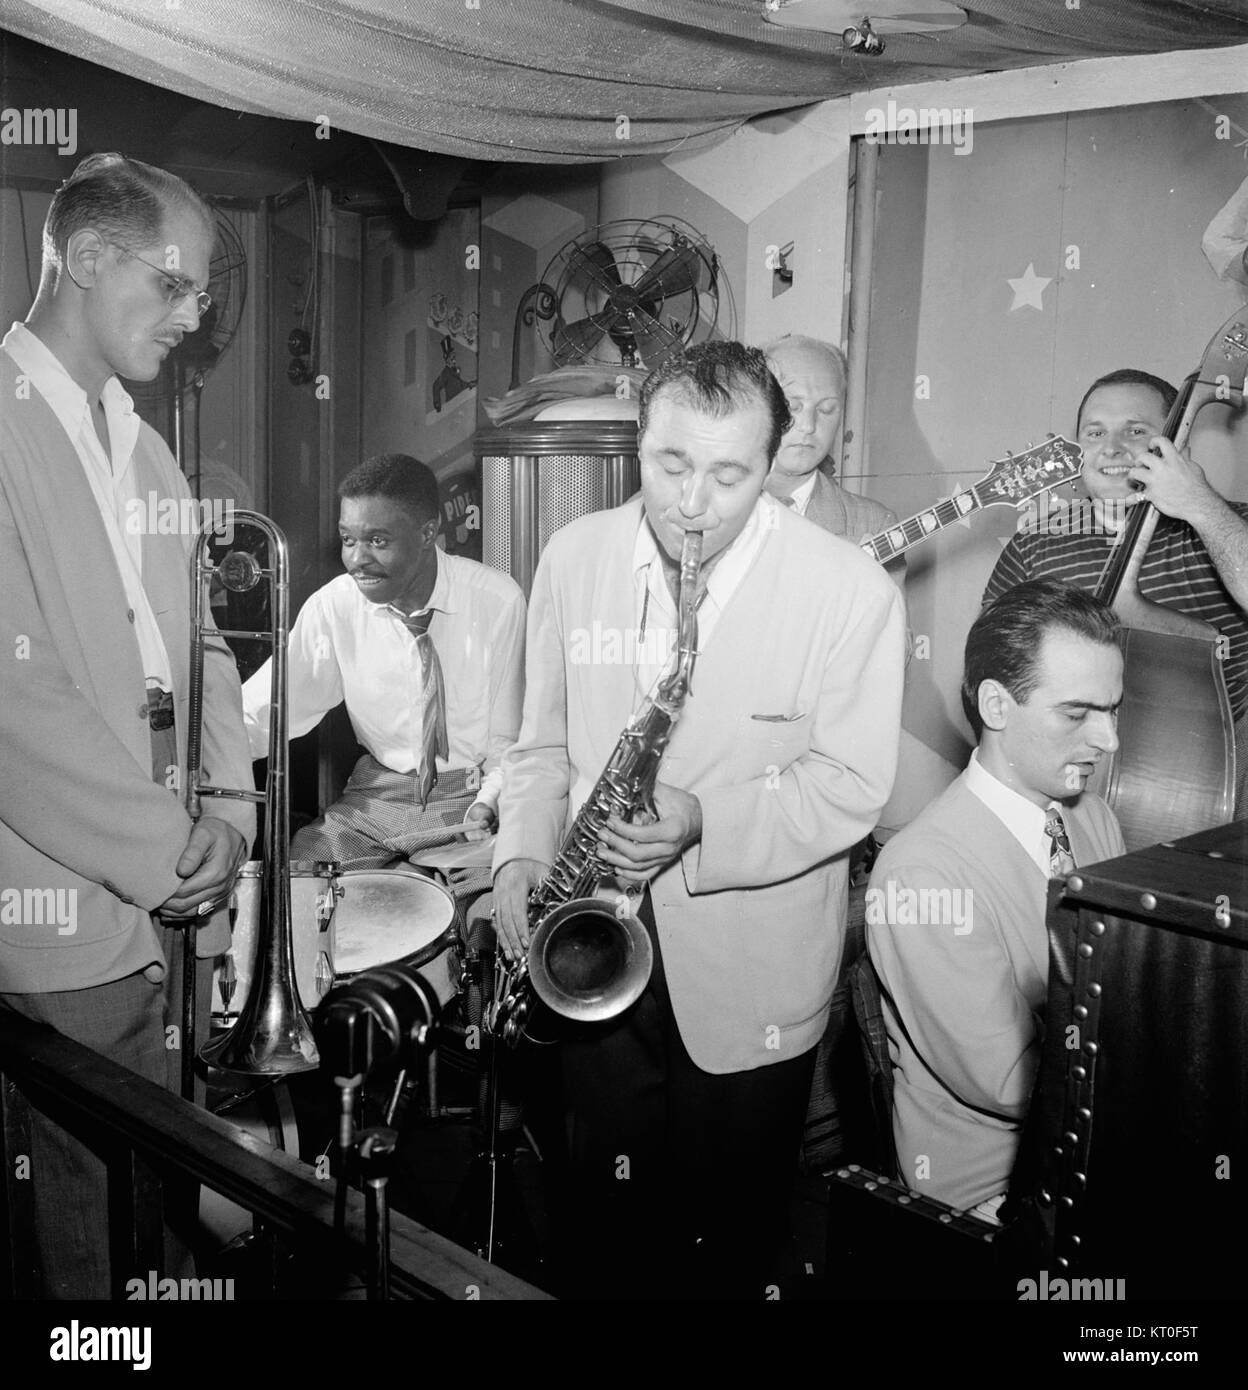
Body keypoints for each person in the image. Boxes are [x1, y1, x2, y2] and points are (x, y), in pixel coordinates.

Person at [492, 341, 906, 1298]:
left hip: (751, 977)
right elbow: (541, 745)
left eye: (729, 475)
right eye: (670, 464)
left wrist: (702, 820)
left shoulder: (850, 590)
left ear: (775, 462)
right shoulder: (573, 554)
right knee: (603, 1225)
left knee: (727, 1242)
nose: (692, 501)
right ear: (638, 439)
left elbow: (851, 783)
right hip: (590, 954)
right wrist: (521, 853)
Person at [0, 153, 255, 1297]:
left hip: (173, 906)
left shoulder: (144, 445)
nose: (197, 318)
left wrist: (235, 818)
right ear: (90, 259)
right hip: (66, 917)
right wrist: (166, 855)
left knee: (151, 1227)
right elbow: (16, 702)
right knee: (79, 1252)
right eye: (178, 285)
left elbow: (201, 649)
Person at [867, 580, 1125, 1218]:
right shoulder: (920, 875)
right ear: (996, 705)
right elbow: (1011, 1082)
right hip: (994, 1185)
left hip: (1096, 1138)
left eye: (1114, 710)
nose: (1109, 740)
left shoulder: (1093, 819)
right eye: (1077, 713)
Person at [242, 453, 525, 873]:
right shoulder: (335, 605)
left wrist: (488, 803)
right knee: (301, 880)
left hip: (469, 797)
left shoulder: (498, 600)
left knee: (484, 921)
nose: (356, 559)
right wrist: (200, 759)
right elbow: (268, 710)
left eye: (377, 541)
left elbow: (510, 741)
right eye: (348, 539)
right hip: (375, 798)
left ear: (427, 533)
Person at [983, 368, 1248, 810]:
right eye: (1095, 432)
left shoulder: (1229, 521)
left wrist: (1199, 505)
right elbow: (988, 673)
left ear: (1175, 443)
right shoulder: (1035, 544)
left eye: (1136, 430)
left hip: (1216, 772)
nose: (1111, 448)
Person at [761, 333, 900, 554]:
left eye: (826, 409)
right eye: (792, 406)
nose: (809, 425)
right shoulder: (706, 505)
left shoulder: (874, 525)